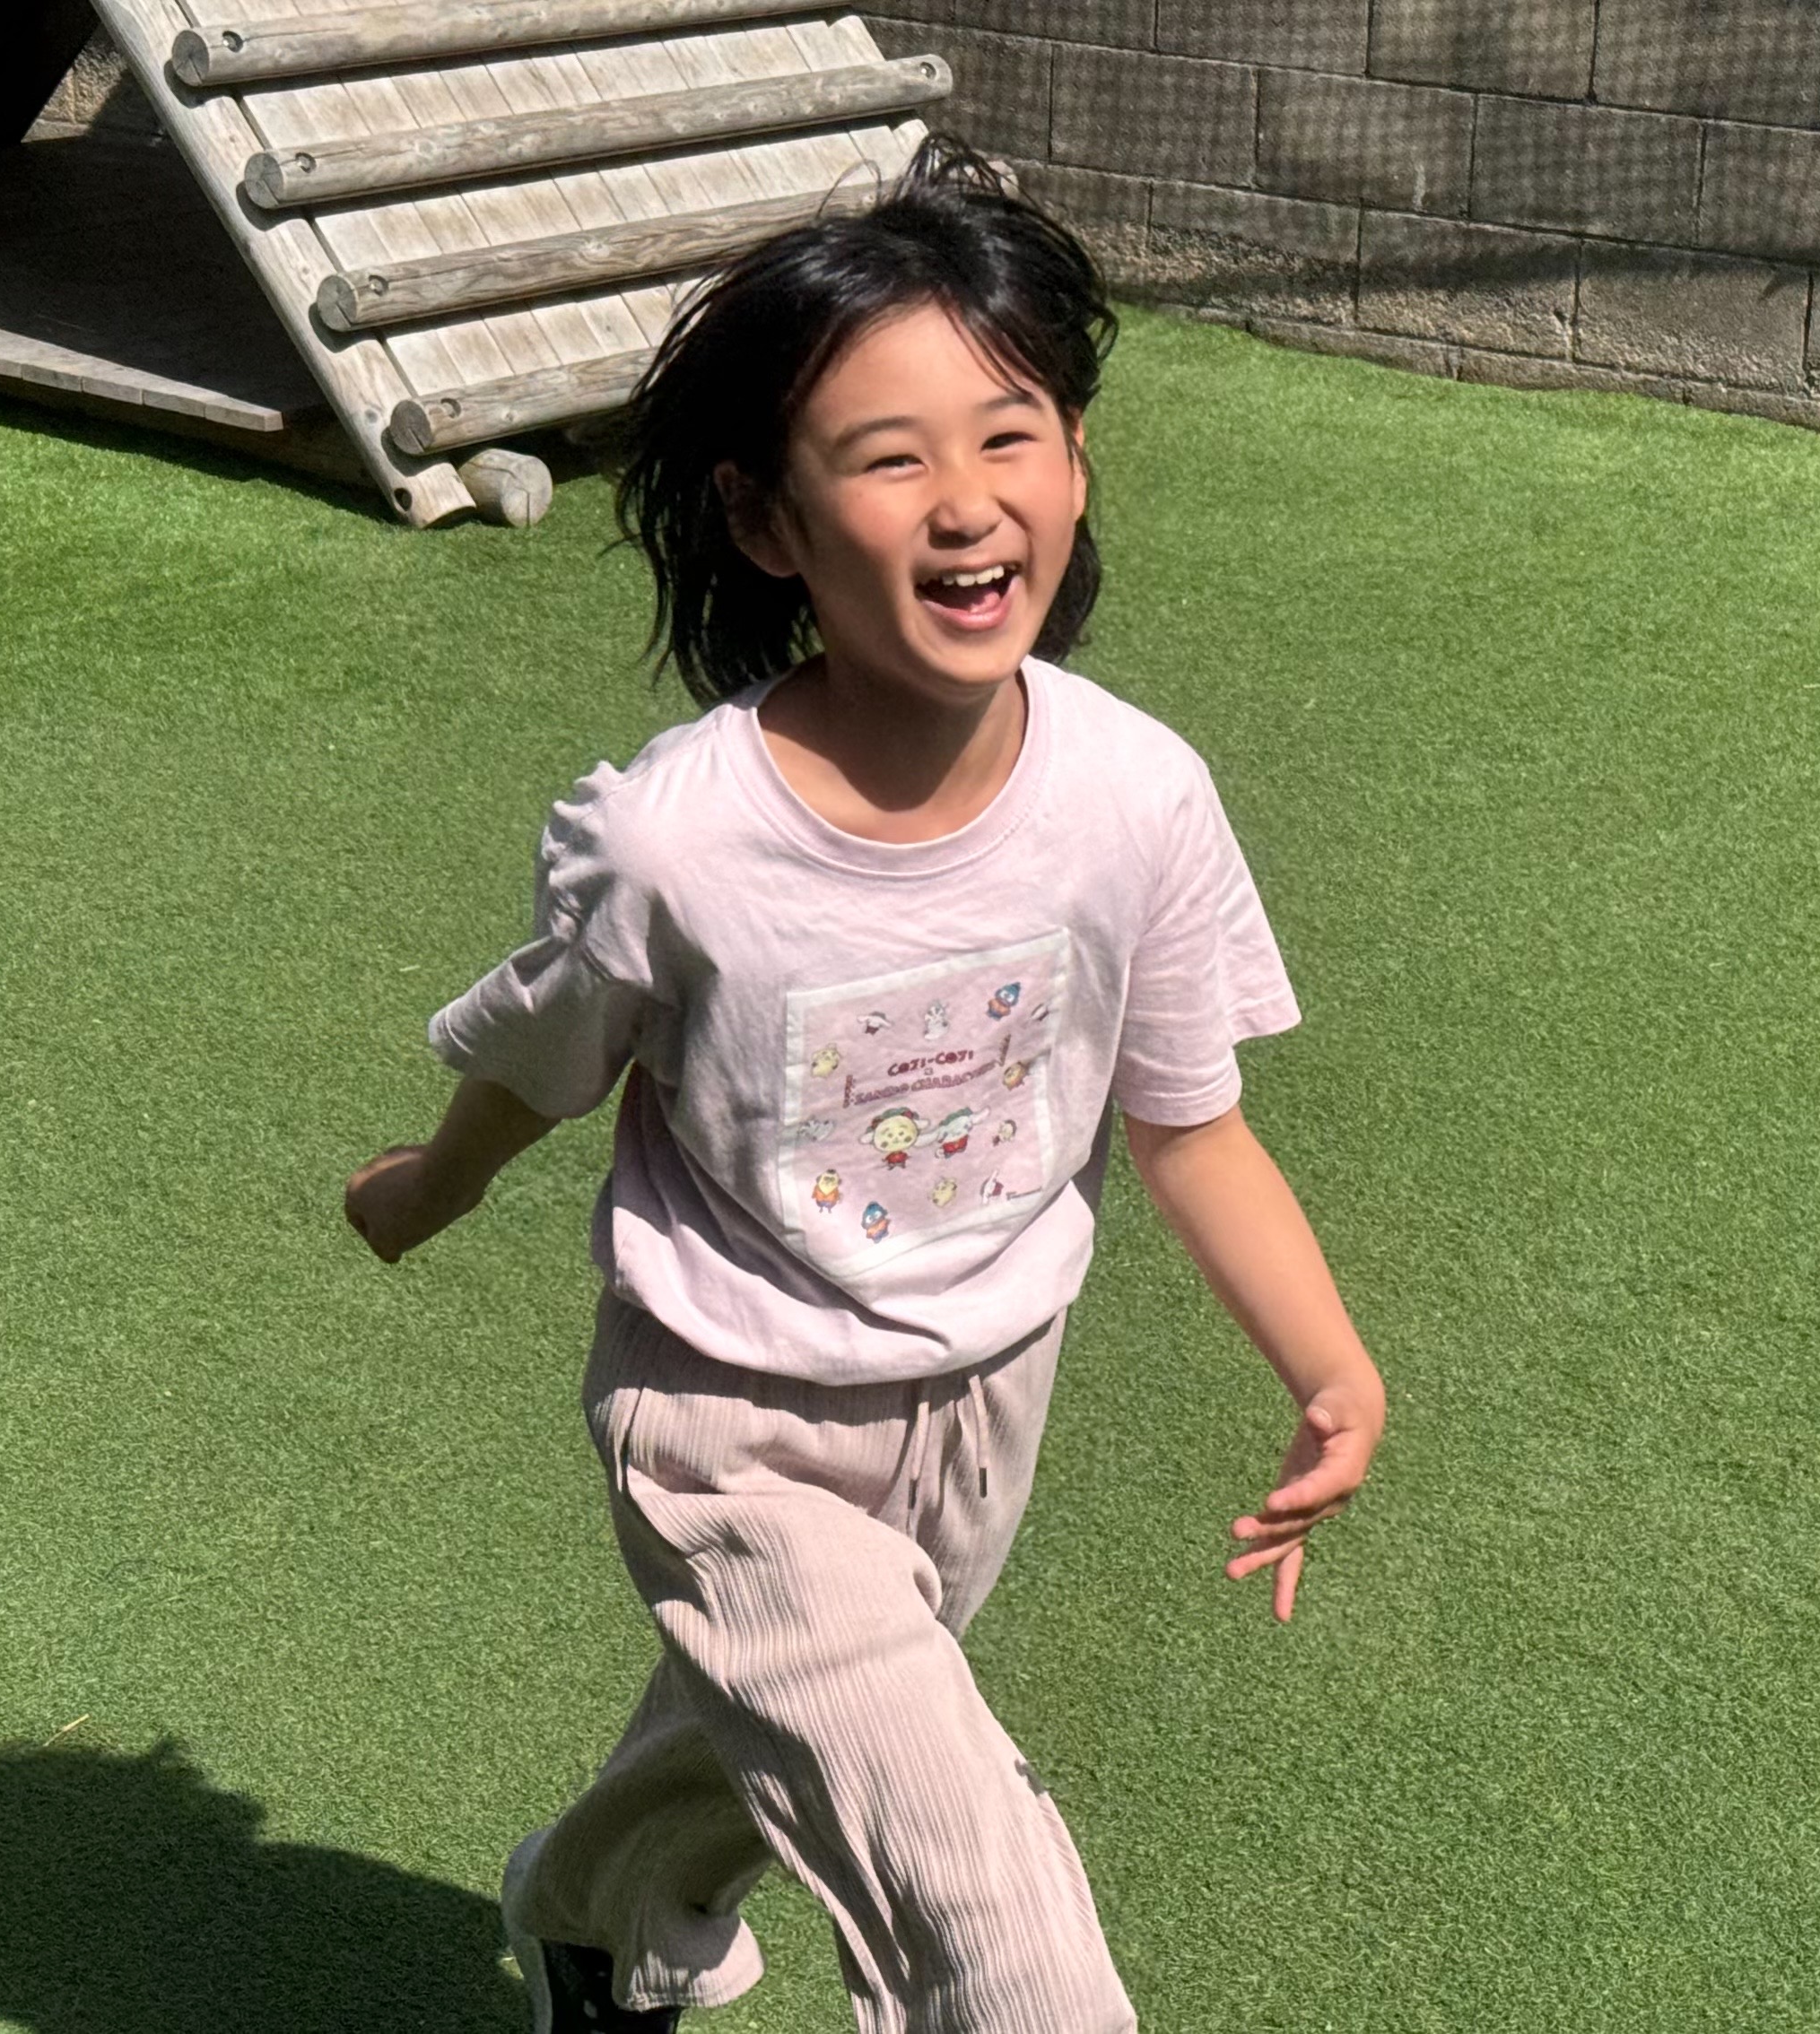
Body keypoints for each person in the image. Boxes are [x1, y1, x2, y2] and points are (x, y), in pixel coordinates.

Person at [341, 135, 1387, 2034]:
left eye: (1009, 435)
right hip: (727, 1423)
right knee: (975, 1880)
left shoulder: (1136, 795)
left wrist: (1331, 1367)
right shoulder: (678, 843)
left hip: (985, 1399)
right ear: (766, 520)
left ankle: (594, 1913)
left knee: (782, 1728)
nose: (966, 500)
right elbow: (544, 1065)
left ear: (1076, 463)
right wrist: (428, 1186)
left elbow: (1188, 1121)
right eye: (889, 458)